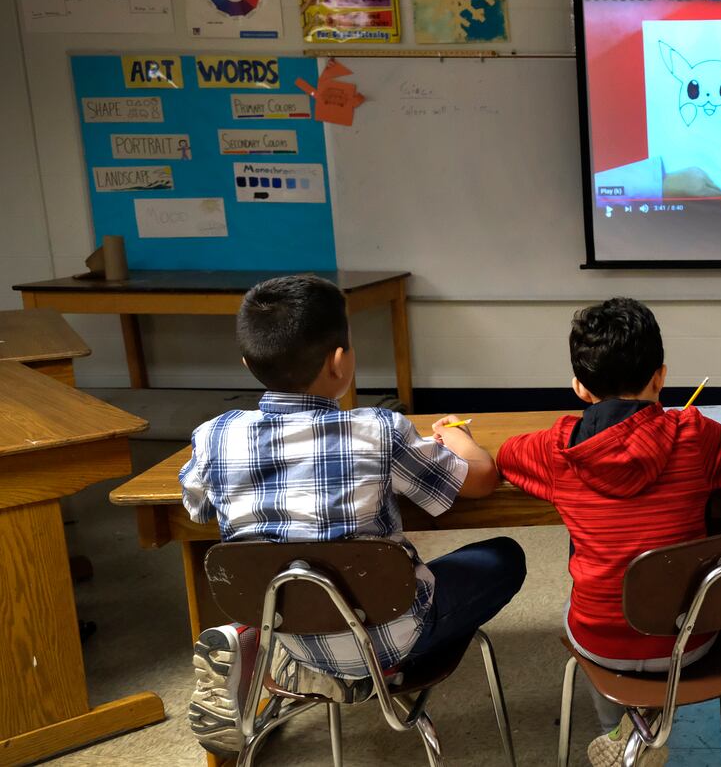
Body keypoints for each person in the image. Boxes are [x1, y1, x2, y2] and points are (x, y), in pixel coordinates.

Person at [180, 275, 524, 756]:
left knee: (284, 580)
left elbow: (195, 508)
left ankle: (268, 647)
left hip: (288, 626)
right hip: (391, 633)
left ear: (247, 362)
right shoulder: (379, 430)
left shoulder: (213, 436)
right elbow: (481, 480)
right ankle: (369, 671)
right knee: (505, 556)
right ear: (340, 362)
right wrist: (457, 437)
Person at [493, 297, 721, 767]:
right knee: (670, 595)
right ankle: (646, 723)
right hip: (687, 641)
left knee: (581, 607)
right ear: (660, 376)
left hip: (602, 640)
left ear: (579, 386)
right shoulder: (695, 436)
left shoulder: (553, 449)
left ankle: (622, 731)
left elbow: (506, 456)